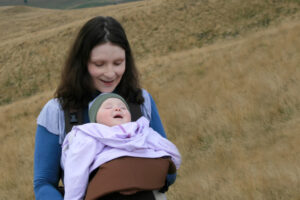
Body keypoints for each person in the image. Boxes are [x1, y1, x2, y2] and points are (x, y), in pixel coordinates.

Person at [33, 16, 177, 200]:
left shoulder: (141, 100)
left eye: (118, 63)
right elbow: (44, 182)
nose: (110, 73)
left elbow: (169, 171)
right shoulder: (57, 111)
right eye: (99, 64)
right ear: (82, 63)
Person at [61, 93, 181, 200]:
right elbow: (77, 167)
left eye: (123, 107)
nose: (118, 108)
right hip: (109, 191)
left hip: (148, 184)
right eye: (108, 107)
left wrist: (171, 165)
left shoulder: (141, 130)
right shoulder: (92, 133)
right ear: (95, 119)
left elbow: (168, 148)